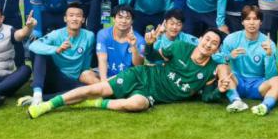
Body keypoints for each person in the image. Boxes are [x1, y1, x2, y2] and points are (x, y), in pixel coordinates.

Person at [26, 28, 227, 118]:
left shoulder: (211, 70)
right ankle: (46, 106)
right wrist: (149, 45)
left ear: (217, 49)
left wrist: (219, 89)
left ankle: (95, 104)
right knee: (96, 89)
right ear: (200, 39)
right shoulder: (180, 47)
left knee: (137, 104)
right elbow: (153, 57)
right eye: (207, 39)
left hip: (151, 95)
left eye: (214, 44)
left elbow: (207, 97)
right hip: (142, 75)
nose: (209, 44)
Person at [20, 3, 96, 106]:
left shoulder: (89, 36)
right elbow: (33, 46)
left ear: (83, 19)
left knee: (87, 91)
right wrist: (57, 49)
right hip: (53, 76)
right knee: (40, 53)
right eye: (71, 15)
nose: (74, 19)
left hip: (70, 81)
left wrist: (85, 76)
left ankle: (42, 98)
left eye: (78, 16)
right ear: (65, 19)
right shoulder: (56, 34)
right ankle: (37, 93)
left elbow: (86, 62)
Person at [220, 6, 278, 116]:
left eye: (255, 19)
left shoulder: (269, 43)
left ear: (261, 22)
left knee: (277, 80)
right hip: (238, 82)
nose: (252, 23)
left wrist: (268, 56)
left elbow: (270, 76)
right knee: (222, 67)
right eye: (248, 19)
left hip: (258, 85)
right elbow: (219, 60)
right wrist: (230, 56)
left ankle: (264, 106)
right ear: (242, 22)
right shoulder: (231, 39)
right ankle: (236, 101)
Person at [96, 5, 146, 79]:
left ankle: (106, 85)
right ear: (114, 19)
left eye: (127, 18)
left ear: (132, 21)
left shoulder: (140, 40)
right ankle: (107, 85)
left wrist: (133, 46)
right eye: (120, 17)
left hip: (127, 77)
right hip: (107, 75)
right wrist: (104, 81)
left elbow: (139, 65)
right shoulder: (103, 34)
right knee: (86, 74)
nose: (123, 21)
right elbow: (102, 59)